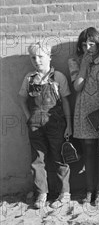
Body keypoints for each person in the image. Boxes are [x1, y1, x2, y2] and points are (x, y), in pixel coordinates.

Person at [18, 42, 72, 209]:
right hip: (35, 125)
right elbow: (21, 99)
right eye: (33, 57)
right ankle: (42, 192)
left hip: (55, 123)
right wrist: (29, 117)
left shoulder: (58, 77)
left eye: (41, 56)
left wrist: (69, 124)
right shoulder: (29, 78)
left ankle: (65, 193)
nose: (37, 60)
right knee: (37, 159)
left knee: (59, 157)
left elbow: (65, 101)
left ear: (49, 57)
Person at [68, 28, 99, 205]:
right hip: (83, 114)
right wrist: (83, 67)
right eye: (84, 44)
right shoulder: (74, 62)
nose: (88, 47)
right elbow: (77, 87)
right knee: (88, 152)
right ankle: (89, 190)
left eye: (92, 44)